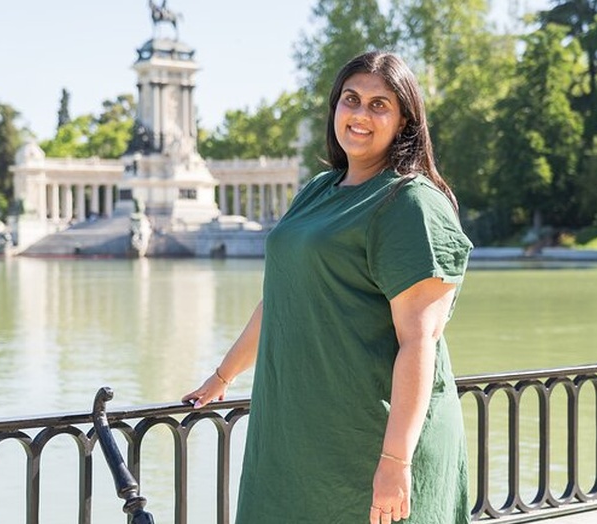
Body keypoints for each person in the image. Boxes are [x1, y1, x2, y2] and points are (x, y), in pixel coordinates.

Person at [183, 50, 473, 524]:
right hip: (298, 438)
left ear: (404, 121)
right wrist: (222, 376)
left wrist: (396, 463)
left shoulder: (411, 203)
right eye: (351, 99)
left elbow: (420, 341)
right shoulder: (319, 188)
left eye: (380, 105)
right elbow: (283, 297)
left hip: (371, 443)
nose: (360, 115)